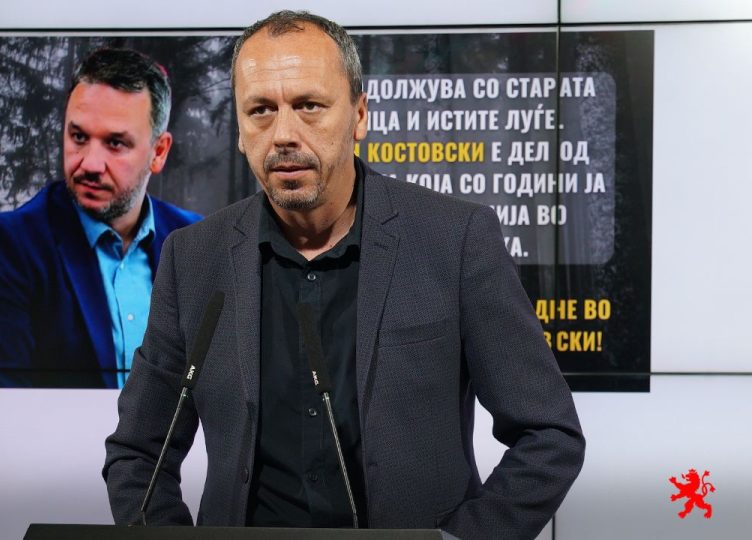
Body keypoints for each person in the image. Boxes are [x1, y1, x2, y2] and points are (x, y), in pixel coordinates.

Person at [103, 11, 584, 539]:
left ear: (359, 116)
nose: (284, 134)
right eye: (261, 110)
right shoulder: (193, 258)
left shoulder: (455, 240)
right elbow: (137, 451)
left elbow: (549, 436)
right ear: (240, 131)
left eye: (309, 106)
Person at [0, 48, 201, 389]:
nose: (90, 164)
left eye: (115, 143)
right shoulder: (12, 246)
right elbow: (8, 400)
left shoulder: (199, 242)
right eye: (78, 137)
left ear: (159, 152)